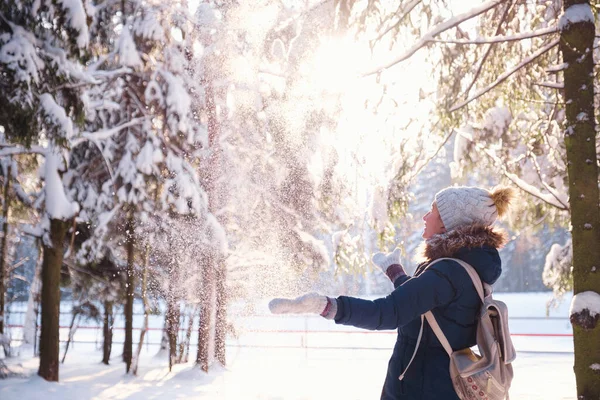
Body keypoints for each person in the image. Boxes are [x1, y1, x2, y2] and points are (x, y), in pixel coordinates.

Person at [269, 185, 515, 400]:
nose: (425, 217)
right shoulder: (462, 269)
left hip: (422, 389)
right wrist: (396, 273)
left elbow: (387, 313)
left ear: (447, 223)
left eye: (433, 211)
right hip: (436, 385)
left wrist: (325, 305)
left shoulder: (448, 272)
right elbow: (423, 305)